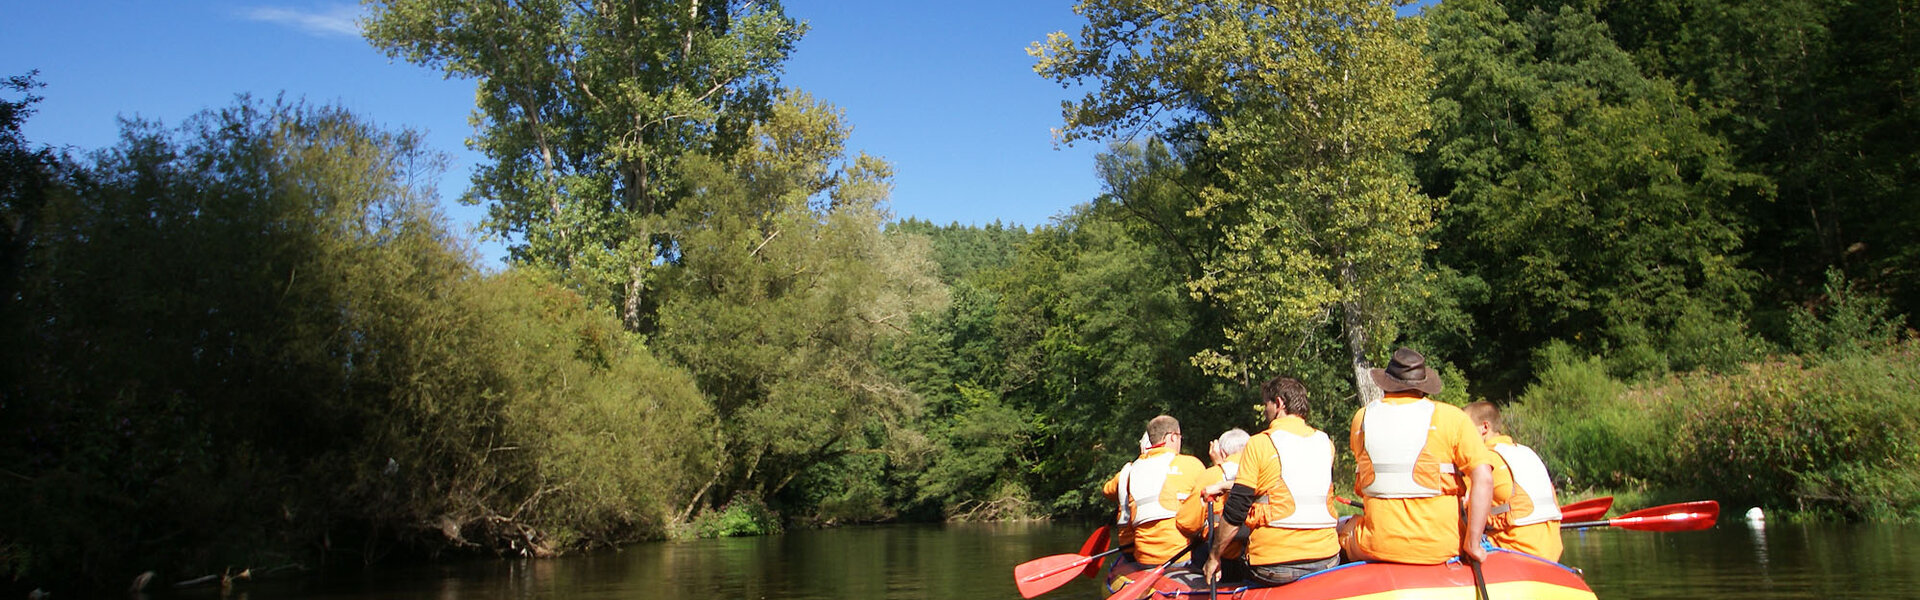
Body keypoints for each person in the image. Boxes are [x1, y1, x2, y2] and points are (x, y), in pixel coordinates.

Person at [1338, 347, 1497, 565]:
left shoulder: (1362, 418)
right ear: (1423, 387)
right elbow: (1484, 479)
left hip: (1375, 545)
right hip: (1441, 547)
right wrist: (1473, 543)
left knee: (1341, 527)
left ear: (1386, 385)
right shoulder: (1452, 417)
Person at [1203, 377, 1341, 586]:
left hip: (1274, 565)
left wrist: (1214, 556)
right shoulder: (1326, 444)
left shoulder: (1260, 443)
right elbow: (1288, 484)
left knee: (1227, 557)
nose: (1265, 410)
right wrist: (1224, 485)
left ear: (1279, 403)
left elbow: (1236, 510)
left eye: (1266, 404)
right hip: (1327, 558)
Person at [1465, 401, 1565, 561]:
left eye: (1466, 429)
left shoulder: (1483, 458)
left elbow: (1458, 504)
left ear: (1484, 428)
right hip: (1551, 550)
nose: (1462, 436)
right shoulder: (1527, 452)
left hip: (1517, 548)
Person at [1103, 415, 1208, 566]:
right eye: (1180, 437)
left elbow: (1107, 491)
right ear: (1173, 437)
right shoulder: (1192, 465)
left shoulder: (1128, 472)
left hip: (1143, 558)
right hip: (1182, 557)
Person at [1175, 429, 1250, 576]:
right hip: (1253, 555)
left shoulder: (1211, 475)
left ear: (1222, 452)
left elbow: (1186, 524)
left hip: (1222, 558)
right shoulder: (1261, 472)